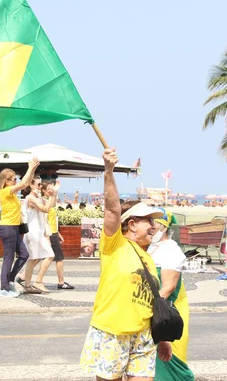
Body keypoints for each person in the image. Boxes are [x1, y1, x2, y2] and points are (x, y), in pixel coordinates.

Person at [80, 148, 172, 381]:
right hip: (113, 332)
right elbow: (112, 209)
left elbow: (153, 302)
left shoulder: (148, 259)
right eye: (149, 221)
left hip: (143, 336)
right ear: (131, 224)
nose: (154, 226)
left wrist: (162, 339)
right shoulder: (115, 246)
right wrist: (108, 171)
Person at [148, 209, 194, 381]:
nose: (151, 227)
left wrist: (149, 312)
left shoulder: (171, 250)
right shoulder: (150, 247)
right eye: (149, 222)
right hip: (154, 312)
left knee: (170, 365)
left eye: (154, 223)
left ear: (164, 226)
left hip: (165, 315)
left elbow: (168, 288)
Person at [0, 159, 39, 298]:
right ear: (6, 181)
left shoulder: (12, 194)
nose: (15, 181)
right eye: (13, 179)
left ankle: (9, 280)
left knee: (24, 254)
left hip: (13, 228)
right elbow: (24, 183)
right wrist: (30, 167)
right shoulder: (4, 191)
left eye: (15, 179)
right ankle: (3, 288)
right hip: (7, 227)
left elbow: (26, 183)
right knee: (8, 258)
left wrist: (32, 170)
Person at [20, 180, 57, 294]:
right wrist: (51, 195)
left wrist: (53, 194)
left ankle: (27, 285)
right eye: (38, 184)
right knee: (50, 255)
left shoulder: (39, 198)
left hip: (37, 232)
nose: (40, 186)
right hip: (33, 232)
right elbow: (45, 209)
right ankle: (38, 282)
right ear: (31, 185)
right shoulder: (30, 198)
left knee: (32, 259)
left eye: (41, 184)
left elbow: (52, 205)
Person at [45, 181, 74, 290]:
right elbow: (45, 220)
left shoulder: (50, 203)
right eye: (49, 188)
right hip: (50, 233)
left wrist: (58, 233)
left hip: (53, 232)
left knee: (43, 257)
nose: (52, 191)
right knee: (58, 258)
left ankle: (24, 276)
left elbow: (52, 221)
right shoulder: (46, 203)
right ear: (44, 191)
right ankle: (61, 282)